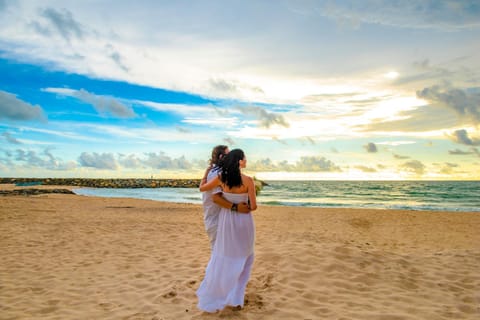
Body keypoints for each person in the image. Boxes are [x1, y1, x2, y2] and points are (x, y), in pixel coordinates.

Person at [197, 149, 257, 312]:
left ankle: (223, 292)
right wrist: (244, 204)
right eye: (245, 158)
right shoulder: (248, 181)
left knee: (226, 255)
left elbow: (203, 189)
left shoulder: (221, 178)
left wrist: (205, 173)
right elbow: (253, 206)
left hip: (227, 219)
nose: (246, 160)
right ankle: (236, 299)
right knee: (245, 257)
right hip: (244, 221)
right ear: (239, 161)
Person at [201, 145, 249, 249]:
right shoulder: (217, 173)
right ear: (221, 156)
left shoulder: (217, 171)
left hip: (218, 218)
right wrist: (236, 207)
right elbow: (216, 198)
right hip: (215, 219)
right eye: (229, 154)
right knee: (218, 253)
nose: (232, 157)